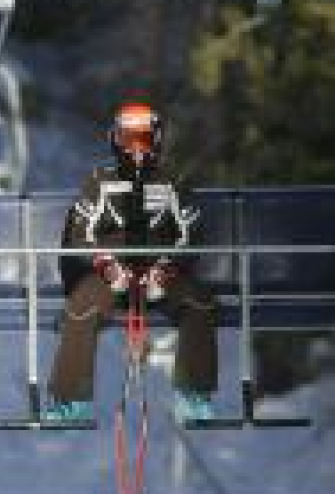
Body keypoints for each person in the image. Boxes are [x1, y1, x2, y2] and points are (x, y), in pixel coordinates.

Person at [47, 101, 219, 422]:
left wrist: (167, 269)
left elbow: (192, 234)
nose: (136, 149)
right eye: (129, 140)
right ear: (115, 140)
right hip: (112, 274)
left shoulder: (173, 182)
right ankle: (70, 399)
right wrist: (105, 266)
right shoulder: (100, 182)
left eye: (144, 139)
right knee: (82, 304)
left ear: (156, 140)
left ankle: (194, 395)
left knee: (199, 301)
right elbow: (79, 235)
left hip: (159, 271)